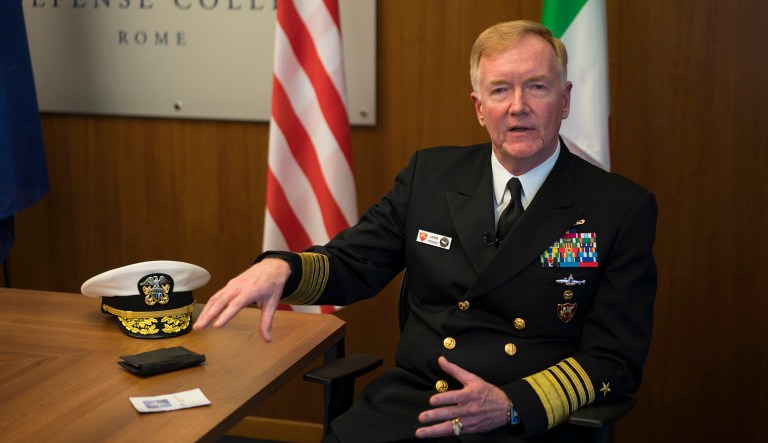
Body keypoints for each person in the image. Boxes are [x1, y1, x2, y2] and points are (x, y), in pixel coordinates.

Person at [194, 20, 657, 443]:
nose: (518, 107)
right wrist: (283, 268)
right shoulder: (430, 176)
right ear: (479, 108)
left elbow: (614, 360)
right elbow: (355, 262)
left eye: (537, 86)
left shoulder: (619, 208)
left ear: (566, 98)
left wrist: (512, 405)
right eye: (500, 90)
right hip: (414, 404)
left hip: (523, 420)